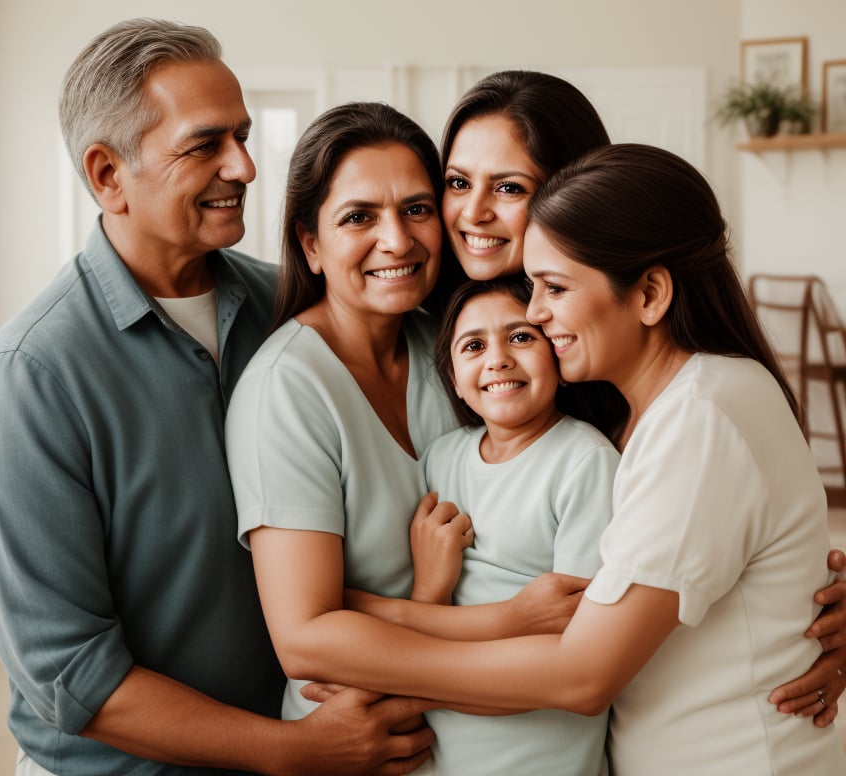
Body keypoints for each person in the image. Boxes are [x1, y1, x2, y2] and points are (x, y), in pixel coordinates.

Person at [0, 19, 445, 776]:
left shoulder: (284, 307)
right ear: (106, 174)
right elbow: (69, 673)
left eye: (243, 136)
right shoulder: (31, 376)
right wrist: (295, 751)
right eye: (205, 144)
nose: (246, 167)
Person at [312, 143, 846, 773]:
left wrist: (379, 677)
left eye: (554, 288)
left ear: (649, 293)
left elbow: (580, 675)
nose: (536, 313)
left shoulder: (701, 415)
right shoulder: (651, 411)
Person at [428, 69, 846, 717]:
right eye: (456, 182)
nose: (473, 212)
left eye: (509, 187)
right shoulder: (434, 328)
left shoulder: (665, 389)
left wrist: (805, 594)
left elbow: (586, 667)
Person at [224, 102, 590, 732]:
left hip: (503, 733)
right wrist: (508, 627)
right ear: (310, 244)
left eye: (417, 209)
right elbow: (307, 640)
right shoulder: (285, 389)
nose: (397, 240)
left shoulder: (457, 344)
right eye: (358, 217)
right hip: (369, 739)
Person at [418, 274, 618, 775]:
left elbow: (571, 657)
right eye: (473, 346)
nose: (498, 358)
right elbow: (419, 613)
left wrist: (415, 679)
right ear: (455, 381)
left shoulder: (584, 460)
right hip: (443, 751)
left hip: (540, 753)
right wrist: (431, 587)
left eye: (521, 336)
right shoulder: (438, 461)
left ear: (558, 357)